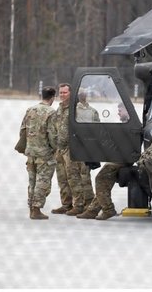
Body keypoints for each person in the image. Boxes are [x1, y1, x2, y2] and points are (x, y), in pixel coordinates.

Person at [49, 83, 95, 217]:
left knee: (74, 178)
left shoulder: (76, 108)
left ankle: (79, 205)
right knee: (62, 178)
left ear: (71, 93)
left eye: (65, 92)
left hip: (72, 148)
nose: (62, 95)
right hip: (60, 149)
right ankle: (66, 204)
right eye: (61, 93)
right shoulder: (60, 109)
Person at [20, 86, 58, 220]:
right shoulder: (52, 112)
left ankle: (31, 207)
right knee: (43, 181)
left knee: (32, 181)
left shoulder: (30, 110)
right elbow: (52, 135)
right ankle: (36, 209)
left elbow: (23, 130)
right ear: (53, 97)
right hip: (45, 153)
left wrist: (26, 146)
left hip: (31, 151)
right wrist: (55, 148)